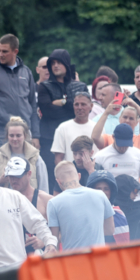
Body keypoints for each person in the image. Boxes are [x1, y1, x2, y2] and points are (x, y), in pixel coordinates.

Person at [37, 49, 87, 192]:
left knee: (78, 173)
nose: (55, 66)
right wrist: (69, 105)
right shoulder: (44, 86)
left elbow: (82, 110)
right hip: (49, 137)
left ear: (66, 64)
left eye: (59, 62)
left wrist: (61, 102)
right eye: (52, 63)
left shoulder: (80, 86)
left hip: (75, 136)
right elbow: (47, 111)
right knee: (53, 174)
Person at [47, 161, 115, 250]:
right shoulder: (101, 195)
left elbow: (54, 240)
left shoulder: (53, 203)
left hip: (72, 260)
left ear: (58, 181)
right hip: (98, 258)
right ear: (79, 176)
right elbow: (110, 230)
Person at [5, 157, 55, 253]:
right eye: (11, 176)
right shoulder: (4, 200)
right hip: (14, 257)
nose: (14, 180)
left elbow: (62, 232)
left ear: (29, 174)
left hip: (38, 259)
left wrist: (44, 241)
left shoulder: (45, 200)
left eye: (17, 176)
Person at [93, 123, 140, 191]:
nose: (123, 148)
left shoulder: (139, 155)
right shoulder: (100, 156)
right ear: (113, 137)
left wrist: (134, 188)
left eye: (126, 145)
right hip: (111, 199)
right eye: (120, 145)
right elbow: (94, 183)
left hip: (134, 199)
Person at [0, 116, 48, 192]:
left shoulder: (35, 157)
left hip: (29, 201)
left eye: (18, 135)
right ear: (7, 136)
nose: (15, 139)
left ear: (25, 136)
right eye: (11, 135)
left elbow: (43, 185)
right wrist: (0, 180)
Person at [85, 170, 130, 243]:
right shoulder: (85, 212)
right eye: (98, 189)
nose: (102, 192)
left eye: (106, 189)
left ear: (111, 192)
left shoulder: (118, 214)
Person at [51, 92, 96, 164]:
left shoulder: (97, 127)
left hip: (93, 171)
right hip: (71, 173)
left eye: (83, 104)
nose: (79, 107)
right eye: (76, 104)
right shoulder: (63, 128)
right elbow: (58, 159)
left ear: (91, 106)